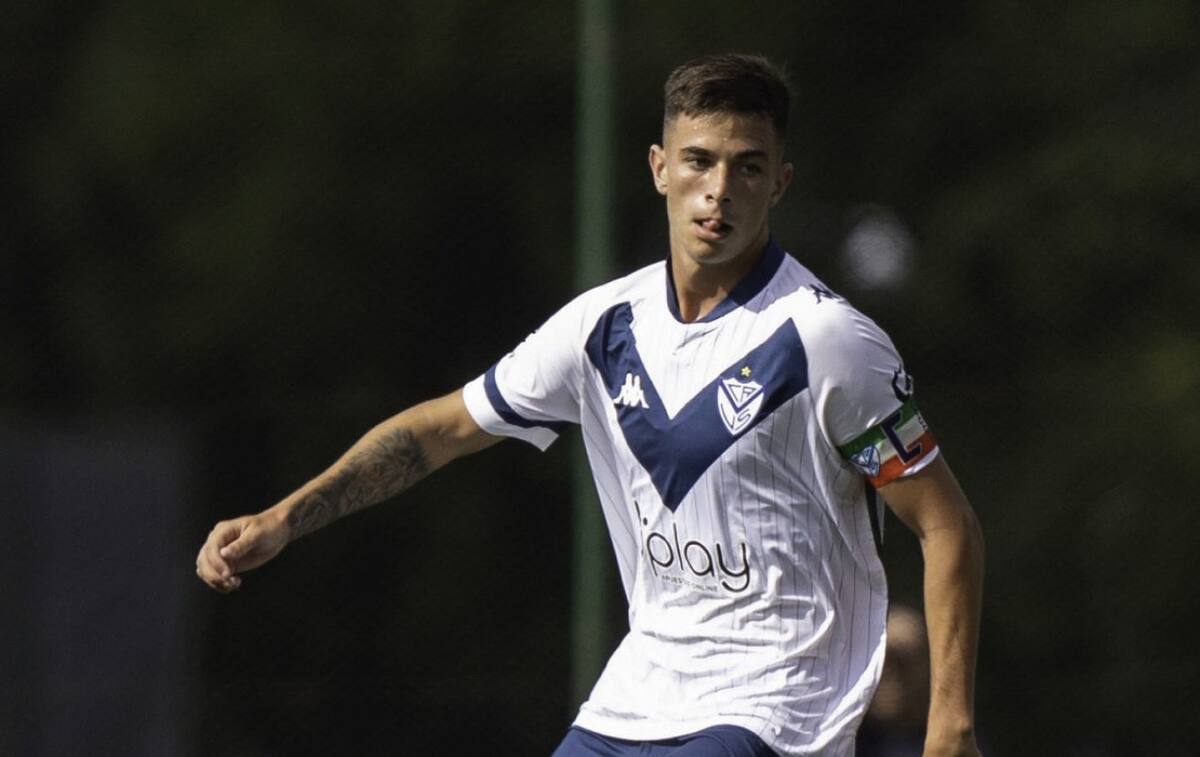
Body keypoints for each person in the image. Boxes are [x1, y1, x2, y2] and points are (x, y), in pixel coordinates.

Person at [196, 53, 985, 757]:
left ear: (779, 181)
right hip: (633, 699)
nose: (719, 191)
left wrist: (949, 724)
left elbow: (945, 523)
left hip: (774, 709)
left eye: (747, 168)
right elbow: (440, 430)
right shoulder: (602, 327)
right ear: (658, 168)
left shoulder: (828, 341)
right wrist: (283, 518)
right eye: (699, 162)